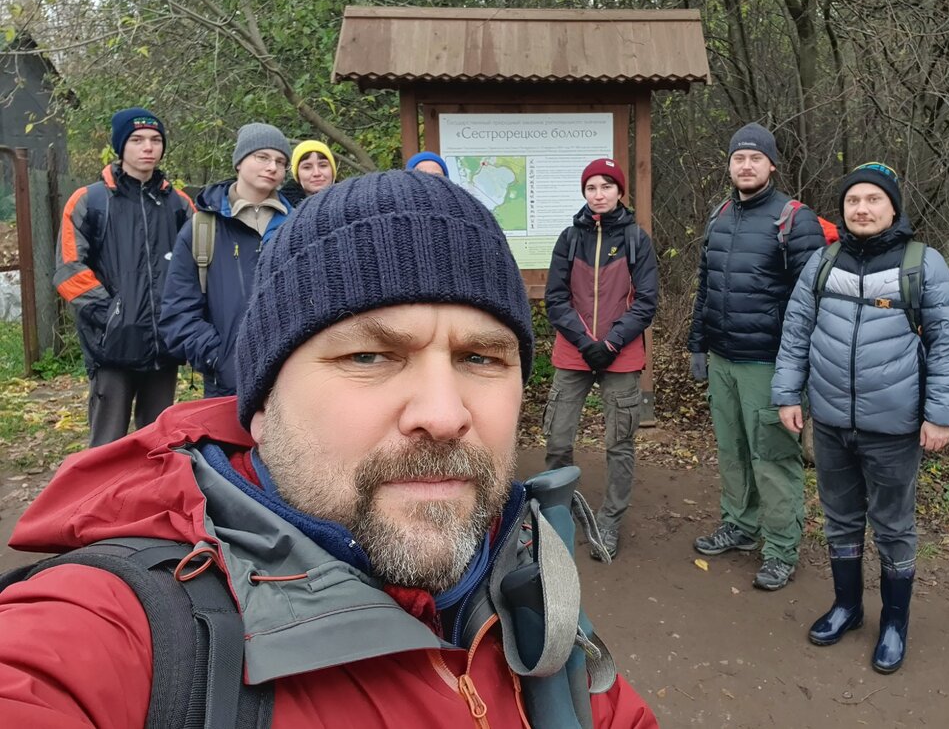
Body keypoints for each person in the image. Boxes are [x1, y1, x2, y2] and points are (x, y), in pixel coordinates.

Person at [0, 170, 657, 728]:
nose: (443, 414)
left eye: (482, 357)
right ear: (260, 407)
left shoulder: (537, 602)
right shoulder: (120, 636)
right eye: (370, 355)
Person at [771, 161, 949, 673]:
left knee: (894, 526)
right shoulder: (822, 261)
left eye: (873, 200)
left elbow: (948, 345)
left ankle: (895, 622)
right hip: (832, 422)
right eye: (853, 200)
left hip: (895, 427)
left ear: (893, 207)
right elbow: (795, 332)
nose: (862, 208)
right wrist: (788, 395)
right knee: (839, 519)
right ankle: (847, 607)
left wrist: (940, 415)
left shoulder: (922, 265)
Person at [687, 122, 827, 591]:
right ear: (730, 165)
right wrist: (697, 345)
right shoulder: (721, 215)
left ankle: (782, 548)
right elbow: (706, 287)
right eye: (738, 158)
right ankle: (741, 526)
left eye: (755, 158)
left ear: (771, 164)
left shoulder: (794, 219)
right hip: (724, 359)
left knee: (773, 458)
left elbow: (810, 304)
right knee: (733, 452)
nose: (745, 166)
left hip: (768, 365)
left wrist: (797, 373)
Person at [54, 107, 194, 447]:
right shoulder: (91, 200)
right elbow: (69, 269)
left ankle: (150, 501)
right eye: (137, 140)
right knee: (106, 444)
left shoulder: (180, 204)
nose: (147, 147)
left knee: (159, 442)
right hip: (112, 348)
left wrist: (184, 318)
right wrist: (113, 317)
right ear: (121, 146)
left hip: (165, 345)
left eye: (155, 140)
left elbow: (198, 267)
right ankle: (97, 500)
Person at [543, 158, 658, 561]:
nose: (599, 193)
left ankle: (610, 520)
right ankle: (557, 510)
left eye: (607, 186)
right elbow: (555, 299)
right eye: (592, 187)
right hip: (573, 350)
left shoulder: (635, 239)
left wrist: (609, 343)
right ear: (584, 193)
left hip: (620, 353)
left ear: (619, 192)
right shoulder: (568, 238)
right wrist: (583, 339)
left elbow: (646, 302)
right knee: (558, 438)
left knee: (619, 443)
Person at [160, 123, 293, 397]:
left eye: (280, 162)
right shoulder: (201, 229)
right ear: (239, 162)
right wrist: (220, 359)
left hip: (293, 383)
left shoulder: (298, 226)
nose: (272, 167)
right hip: (226, 389)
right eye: (262, 157)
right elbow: (178, 312)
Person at [281, 139, 337, 205]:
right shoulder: (281, 207)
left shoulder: (349, 201)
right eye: (307, 167)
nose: (317, 173)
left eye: (323, 165)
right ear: (297, 174)